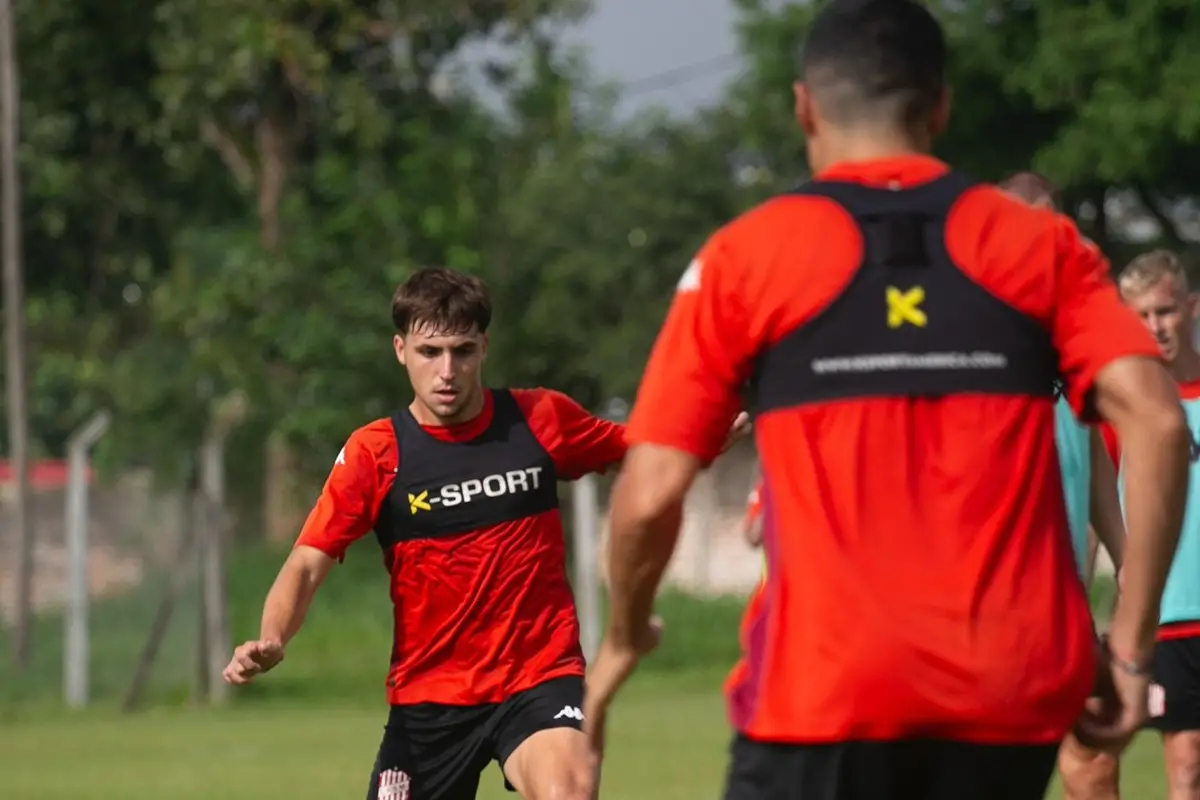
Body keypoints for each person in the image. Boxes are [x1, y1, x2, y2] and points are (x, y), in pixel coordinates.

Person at [583, 2, 1190, 799]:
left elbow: (648, 494)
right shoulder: (1039, 248)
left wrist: (624, 634)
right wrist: (1132, 645)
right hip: (1004, 697)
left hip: (818, 699)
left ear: (804, 105)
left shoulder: (746, 257)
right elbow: (1157, 421)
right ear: (941, 106)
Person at [221, 267, 629, 800]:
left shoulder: (539, 418)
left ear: (484, 347)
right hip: (430, 699)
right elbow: (306, 562)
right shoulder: (376, 453)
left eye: (462, 350)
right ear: (400, 350)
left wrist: (717, 424)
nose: (447, 371)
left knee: (569, 791)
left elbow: (647, 449)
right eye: (429, 351)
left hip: (537, 676)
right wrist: (273, 637)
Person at [1000, 171, 1128, 800]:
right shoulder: (968, 334)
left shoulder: (1074, 334)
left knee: (1095, 763)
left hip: (1066, 593)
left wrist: (1128, 558)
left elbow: (1094, 455)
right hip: (989, 595)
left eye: (1055, 226)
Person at [1105, 250, 1200, 800]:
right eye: (1139, 316)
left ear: (1191, 308)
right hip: (1168, 615)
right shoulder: (1124, 409)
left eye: (1164, 311)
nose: (1155, 328)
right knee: (1186, 760)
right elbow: (1101, 502)